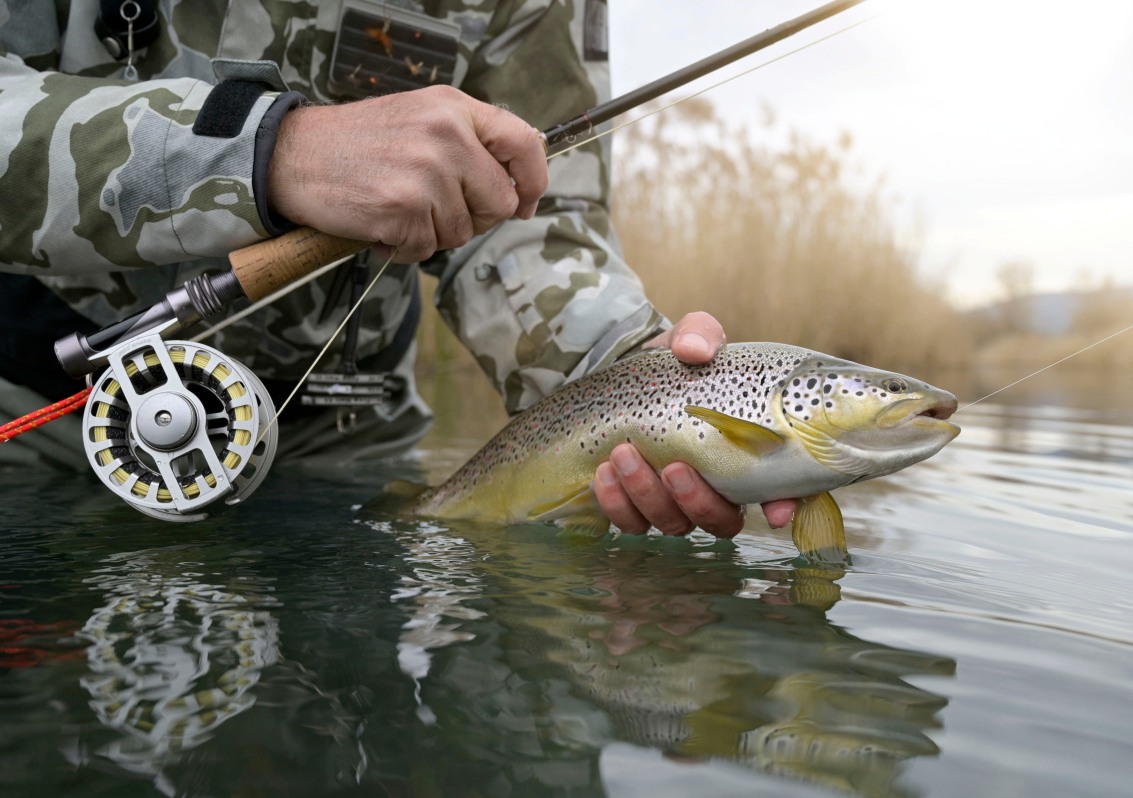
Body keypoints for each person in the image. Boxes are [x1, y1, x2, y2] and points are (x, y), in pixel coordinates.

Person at [0, 0, 795, 535]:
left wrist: (622, 369)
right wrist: (268, 151)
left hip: (348, 440)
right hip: (44, 409)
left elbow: (528, 212)